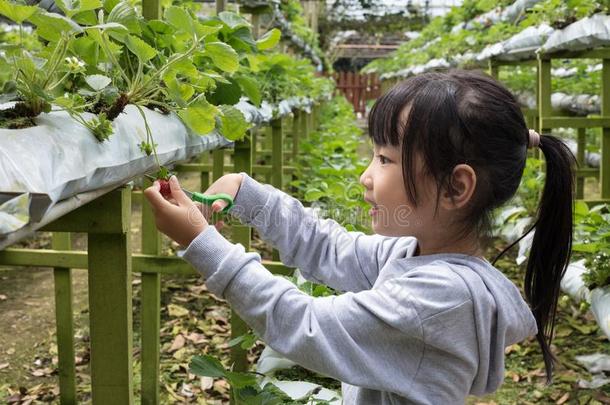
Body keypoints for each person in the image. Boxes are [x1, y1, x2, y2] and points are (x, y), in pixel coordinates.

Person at [144, 69, 576, 404]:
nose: (366, 176)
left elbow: (306, 325)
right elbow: (330, 247)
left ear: (455, 188)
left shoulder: (441, 298)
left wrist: (204, 244)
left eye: (385, 159)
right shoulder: (417, 253)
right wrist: (247, 193)